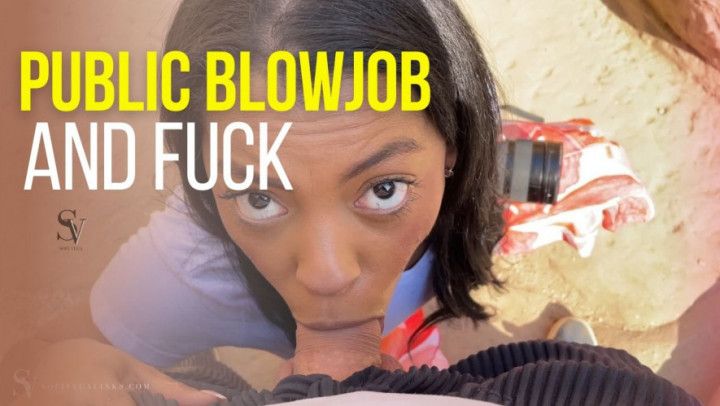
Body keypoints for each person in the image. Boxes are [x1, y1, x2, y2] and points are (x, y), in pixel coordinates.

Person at [0, 1, 697, 405]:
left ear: (455, 152)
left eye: (382, 189)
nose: (328, 273)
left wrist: (549, 178)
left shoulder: (471, 139)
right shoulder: (185, 267)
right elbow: (47, 358)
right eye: (260, 197)